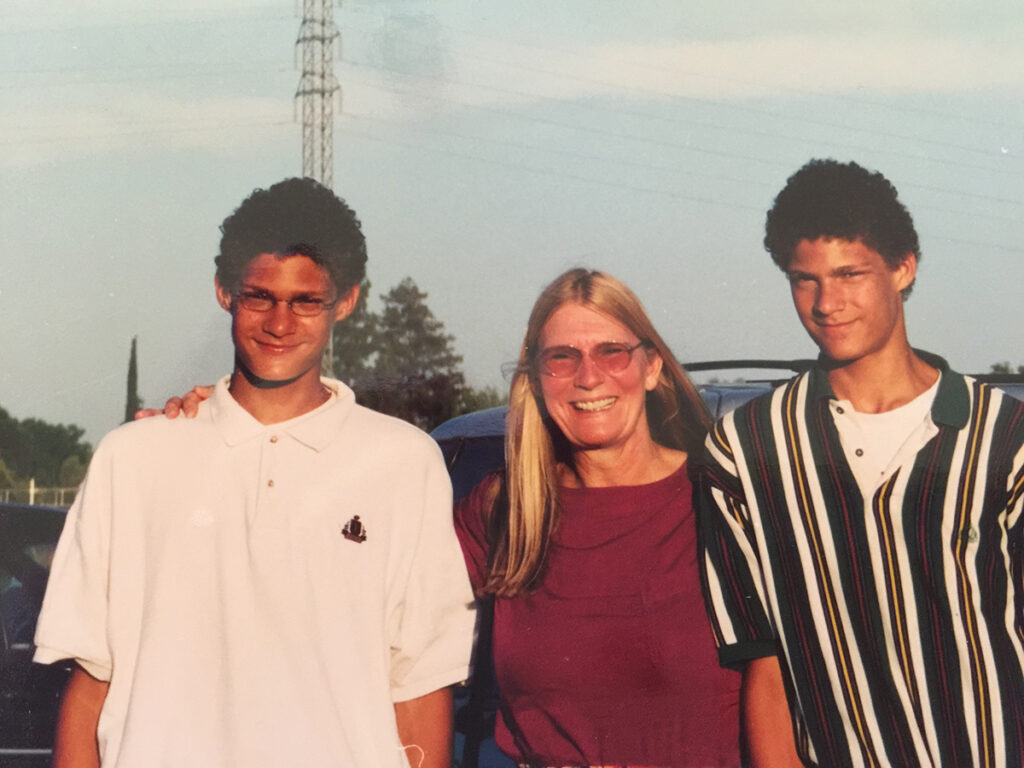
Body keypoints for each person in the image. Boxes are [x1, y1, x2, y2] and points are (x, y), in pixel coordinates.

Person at [33, 178, 475, 767]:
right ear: (224, 292)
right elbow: (92, 684)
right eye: (259, 296)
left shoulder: (405, 462)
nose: (279, 322)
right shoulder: (132, 458)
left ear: (345, 302)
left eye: (306, 301)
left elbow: (419, 687)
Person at [697, 159, 1024, 767]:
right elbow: (761, 665)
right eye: (805, 279)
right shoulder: (745, 451)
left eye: (850, 273)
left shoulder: (1007, 440)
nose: (827, 302)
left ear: (903, 268)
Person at [454, 268, 742, 767]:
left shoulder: (723, 498)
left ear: (651, 368)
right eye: (562, 358)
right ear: (538, 381)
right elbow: (381, 627)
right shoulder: (502, 509)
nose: (589, 377)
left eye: (611, 352)